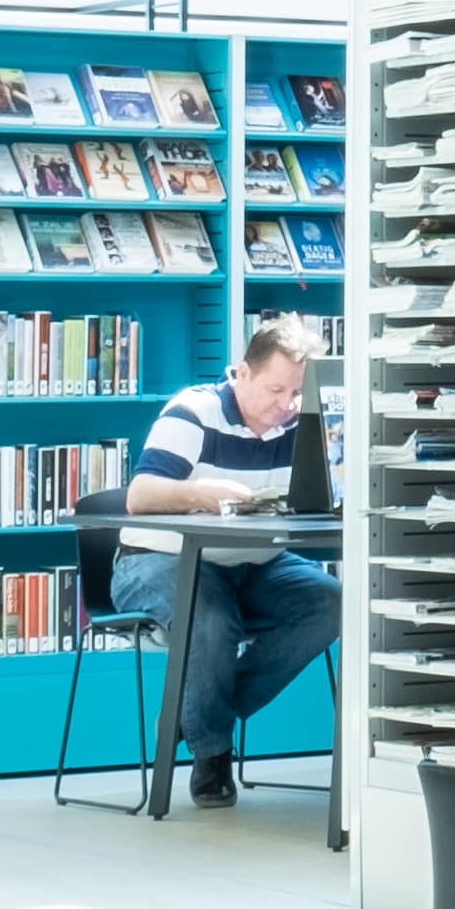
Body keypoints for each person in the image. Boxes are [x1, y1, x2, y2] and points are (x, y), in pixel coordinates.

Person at [130, 317, 337, 804]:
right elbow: (140, 495)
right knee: (210, 618)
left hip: (255, 562)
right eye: (275, 390)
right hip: (159, 559)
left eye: (297, 393)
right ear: (242, 373)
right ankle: (212, 754)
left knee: (331, 603)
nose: (286, 405)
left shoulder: (301, 423)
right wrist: (200, 492)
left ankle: (195, 716)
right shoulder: (193, 412)